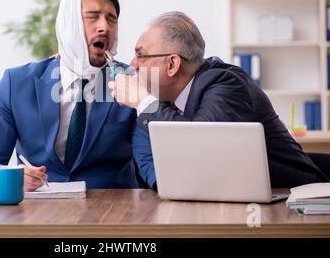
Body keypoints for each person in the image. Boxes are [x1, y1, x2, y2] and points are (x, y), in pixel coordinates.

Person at [109, 11, 329, 190]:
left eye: (141, 56)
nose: (133, 64)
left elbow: (202, 147)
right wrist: (171, 184)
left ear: (172, 64)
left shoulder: (226, 84)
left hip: (294, 202)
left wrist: (142, 101)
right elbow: (147, 159)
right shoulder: (157, 102)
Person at [0, 0, 138, 190]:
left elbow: (154, 163)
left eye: (112, 19)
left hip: (112, 213)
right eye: (92, 16)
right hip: (37, 213)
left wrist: (145, 100)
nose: (104, 27)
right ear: (68, 26)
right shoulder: (16, 83)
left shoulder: (134, 83)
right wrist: (7, 176)